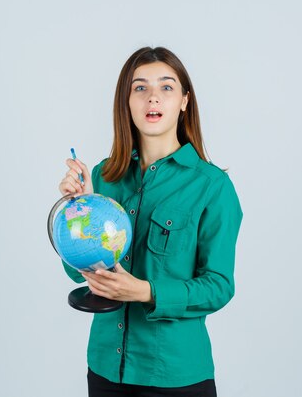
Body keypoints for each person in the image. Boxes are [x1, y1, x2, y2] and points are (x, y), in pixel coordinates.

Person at [57, 46, 243, 397]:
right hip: (105, 371)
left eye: (166, 87)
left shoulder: (212, 186)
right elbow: (77, 271)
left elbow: (219, 286)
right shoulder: (104, 176)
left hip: (175, 377)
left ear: (185, 101)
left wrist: (145, 292)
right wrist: (77, 212)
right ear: (126, 101)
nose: (152, 97)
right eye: (140, 87)